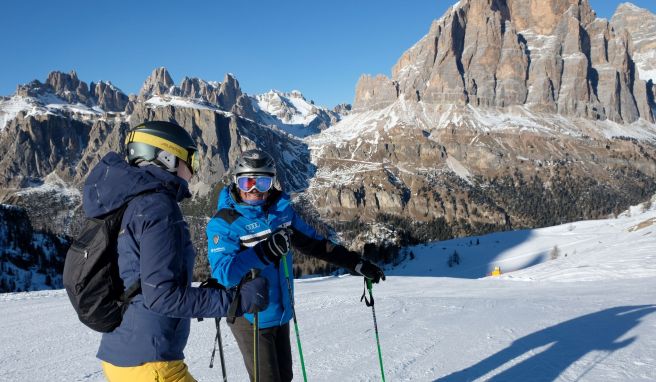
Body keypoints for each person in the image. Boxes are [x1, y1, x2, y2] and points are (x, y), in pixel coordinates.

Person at [83, 121, 269, 382]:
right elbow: (162, 298)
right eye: (189, 158)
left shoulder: (132, 201)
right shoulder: (157, 207)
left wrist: (210, 292)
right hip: (152, 363)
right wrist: (237, 302)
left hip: (124, 354)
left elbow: (139, 278)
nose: (192, 170)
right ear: (166, 158)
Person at [206, 149, 385, 382]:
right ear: (236, 182)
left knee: (285, 377)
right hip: (249, 316)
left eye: (261, 182)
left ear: (271, 183)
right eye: (247, 181)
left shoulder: (282, 212)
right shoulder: (225, 223)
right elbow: (224, 274)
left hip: (281, 311)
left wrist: (355, 263)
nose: (253, 190)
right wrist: (265, 251)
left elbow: (315, 245)